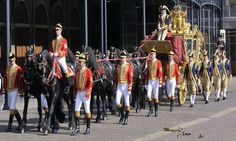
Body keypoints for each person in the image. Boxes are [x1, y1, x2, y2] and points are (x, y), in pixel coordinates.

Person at [2, 52, 24, 133]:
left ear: (15, 59)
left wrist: (21, 90)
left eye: (12, 60)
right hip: (9, 90)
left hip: (15, 89)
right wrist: (3, 88)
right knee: (13, 107)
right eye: (10, 60)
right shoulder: (7, 68)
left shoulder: (19, 68)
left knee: (11, 106)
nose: (11, 62)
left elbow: (21, 81)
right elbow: (5, 79)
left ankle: (9, 126)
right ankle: (21, 123)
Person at [71, 53, 93, 135]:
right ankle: (77, 127)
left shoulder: (88, 71)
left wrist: (88, 93)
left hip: (85, 92)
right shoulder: (77, 71)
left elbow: (90, 83)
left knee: (87, 111)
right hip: (79, 93)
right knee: (76, 110)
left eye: (80, 61)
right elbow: (75, 84)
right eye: (78, 61)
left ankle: (88, 128)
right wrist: (74, 93)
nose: (79, 63)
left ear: (84, 62)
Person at [49, 23, 70, 93]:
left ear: (61, 31)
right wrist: (51, 53)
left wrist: (58, 53)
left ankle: (67, 85)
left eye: (58, 30)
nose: (56, 31)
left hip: (61, 58)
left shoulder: (64, 40)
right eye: (56, 30)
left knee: (64, 68)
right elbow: (50, 50)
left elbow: (65, 51)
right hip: (53, 58)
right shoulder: (53, 41)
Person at [115, 50, 133, 125]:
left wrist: (129, 88)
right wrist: (115, 85)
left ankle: (126, 118)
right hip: (119, 85)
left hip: (126, 85)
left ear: (126, 58)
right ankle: (122, 115)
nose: (122, 59)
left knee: (126, 102)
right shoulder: (118, 66)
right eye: (121, 58)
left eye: (123, 58)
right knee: (117, 102)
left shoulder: (129, 66)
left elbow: (130, 78)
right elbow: (116, 76)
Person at [145, 48, 162, 117]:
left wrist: (160, 82)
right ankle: (150, 109)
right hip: (150, 80)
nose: (152, 55)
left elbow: (160, 72)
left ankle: (156, 110)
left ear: (155, 54)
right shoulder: (148, 62)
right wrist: (146, 82)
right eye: (151, 54)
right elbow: (147, 73)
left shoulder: (158, 62)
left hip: (156, 80)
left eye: (153, 54)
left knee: (155, 96)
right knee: (148, 96)